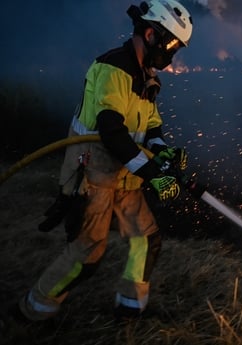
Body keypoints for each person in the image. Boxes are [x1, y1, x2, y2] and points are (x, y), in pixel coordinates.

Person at [17, 0, 193, 322]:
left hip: (126, 175)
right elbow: (111, 133)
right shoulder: (114, 69)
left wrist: (163, 149)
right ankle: (32, 310)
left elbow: (151, 126)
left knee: (147, 239)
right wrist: (154, 174)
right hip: (93, 174)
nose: (171, 55)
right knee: (88, 253)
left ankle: (130, 310)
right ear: (151, 33)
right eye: (171, 45)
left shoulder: (146, 77)